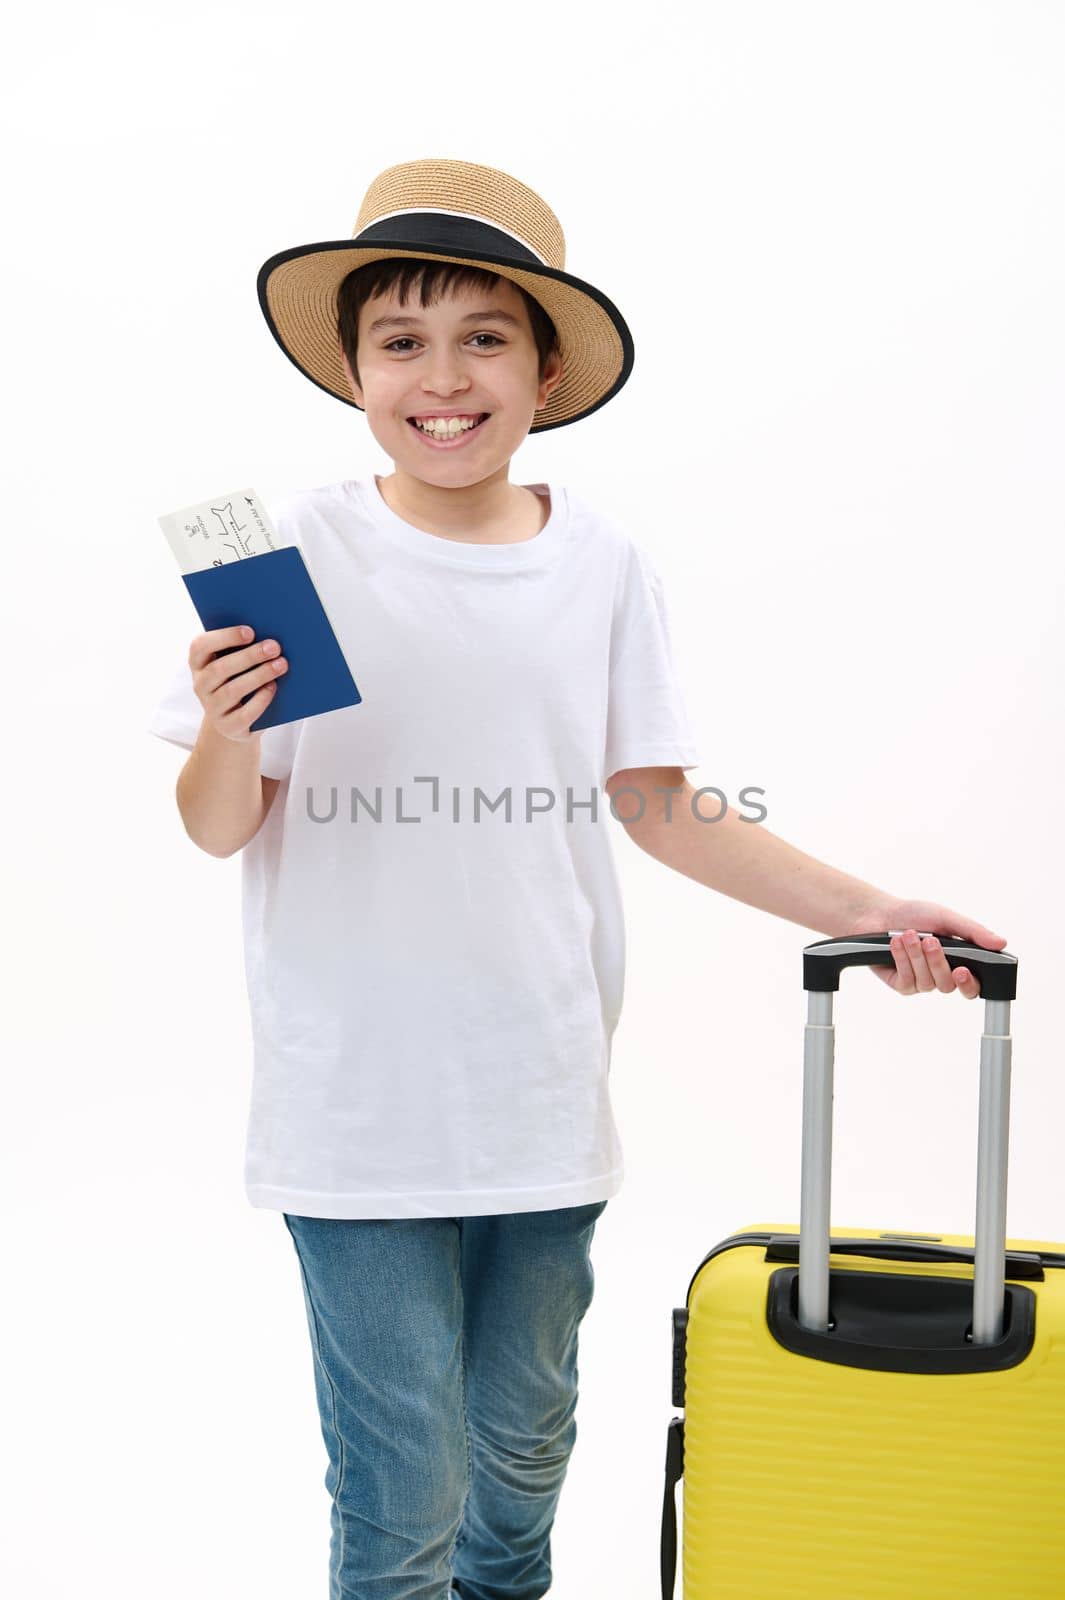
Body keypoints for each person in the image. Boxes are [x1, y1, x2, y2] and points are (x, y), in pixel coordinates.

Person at [146, 158, 1007, 1600]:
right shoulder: (297, 550)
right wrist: (230, 726)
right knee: (402, 1475)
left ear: (543, 371)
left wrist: (871, 910)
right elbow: (217, 825)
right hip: (352, 1107)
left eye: (484, 338)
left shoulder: (600, 563)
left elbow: (667, 811)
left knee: (524, 1441)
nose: (443, 378)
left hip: (539, 1088)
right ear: (353, 370)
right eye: (401, 342)